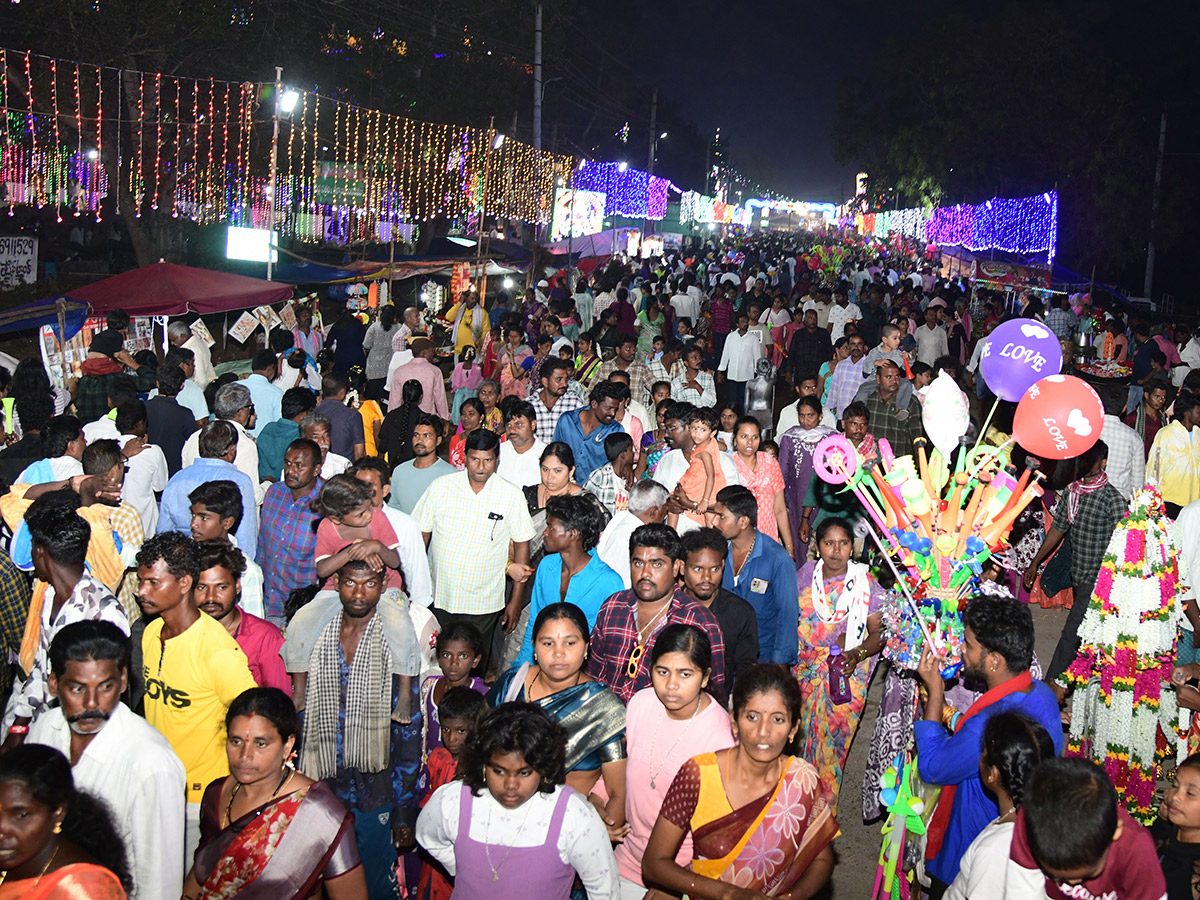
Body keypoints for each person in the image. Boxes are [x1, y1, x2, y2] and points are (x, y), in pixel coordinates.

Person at [284, 557, 422, 899]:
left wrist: (404, 809)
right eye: (350, 583)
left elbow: (408, 734)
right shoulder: (315, 637)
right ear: (336, 583)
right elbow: (297, 721)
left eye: (369, 584)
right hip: (322, 784)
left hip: (375, 789)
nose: (359, 594)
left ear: (382, 585)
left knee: (375, 885)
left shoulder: (395, 645)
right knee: (318, 881)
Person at [642, 664, 836, 900]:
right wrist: (729, 894)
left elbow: (822, 859)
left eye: (778, 719)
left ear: (793, 729)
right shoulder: (699, 775)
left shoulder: (802, 781)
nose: (763, 732)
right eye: (752, 717)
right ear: (734, 721)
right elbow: (654, 863)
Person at [913, 595, 1063, 896]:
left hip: (969, 853)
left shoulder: (991, 722)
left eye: (969, 645)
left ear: (994, 661)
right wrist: (948, 714)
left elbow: (932, 768)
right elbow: (973, 735)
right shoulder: (1041, 693)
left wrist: (936, 691)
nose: (961, 650)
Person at [29, 621, 186, 900]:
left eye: (105, 687)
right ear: (54, 684)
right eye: (77, 689)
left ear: (123, 681)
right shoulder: (45, 728)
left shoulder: (151, 764)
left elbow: (160, 883)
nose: (92, 703)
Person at [136, 532, 257, 865]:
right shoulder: (151, 632)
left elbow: (254, 719)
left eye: (152, 582)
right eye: (141, 581)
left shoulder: (217, 652)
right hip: (158, 786)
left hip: (199, 798)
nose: (141, 591)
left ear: (184, 583)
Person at [415, 702, 620, 900]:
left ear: (543, 768)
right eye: (499, 771)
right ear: (483, 766)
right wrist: (461, 866)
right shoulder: (455, 800)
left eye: (524, 773)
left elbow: (604, 889)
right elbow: (426, 836)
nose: (510, 785)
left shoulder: (573, 815)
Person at [182, 687, 367, 900]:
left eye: (261, 744)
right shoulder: (216, 795)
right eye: (236, 741)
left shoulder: (319, 813)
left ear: (287, 745)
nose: (245, 755)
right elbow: (201, 877)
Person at [613, 624, 735, 900]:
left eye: (685, 674)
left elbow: (720, 832)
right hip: (626, 858)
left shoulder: (720, 737)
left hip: (685, 873)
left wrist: (673, 882)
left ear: (705, 678)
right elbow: (622, 770)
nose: (671, 685)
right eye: (662, 671)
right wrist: (598, 802)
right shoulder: (641, 704)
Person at [489, 603, 626, 833]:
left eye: (570, 643)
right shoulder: (512, 684)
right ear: (534, 646)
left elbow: (618, 793)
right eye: (548, 643)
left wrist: (598, 835)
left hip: (566, 831)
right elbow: (476, 749)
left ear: (586, 648)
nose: (558, 653)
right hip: (499, 820)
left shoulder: (603, 708)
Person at [3, 496, 129, 743]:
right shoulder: (50, 594)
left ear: (40, 551)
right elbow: (40, 668)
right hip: (43, 726)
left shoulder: (103, 612)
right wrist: (19, 728)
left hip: (78, 736)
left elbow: (111, 693)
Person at [414, 429, 534, 676]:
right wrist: (416, 588)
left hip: (484, 602)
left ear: (497, 460)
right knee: (437, 663)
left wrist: (515, 602)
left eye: (487, 460)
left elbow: (522, 545)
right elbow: (420, 537)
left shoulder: (511, 495)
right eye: (475, 459)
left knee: (473, 667)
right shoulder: (441, 487)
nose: (481, 467)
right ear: (465, 457)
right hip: (441, 595)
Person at [795, 516, 888, 809]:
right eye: (829, 543)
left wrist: (856, 654)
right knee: (801, 743)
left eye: (843, 543)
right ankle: (797, 806)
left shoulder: (865, 582)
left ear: (852, 546)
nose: (836, 551)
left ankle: (823, 812)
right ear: (818, 546)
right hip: (805, 674)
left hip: (847, 675)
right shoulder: (805, 575)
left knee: (834, 747)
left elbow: (879, 634)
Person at [586, 524, 727, 703]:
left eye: (656, 564)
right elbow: (593, 678)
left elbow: (713, 696)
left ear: (676, 568)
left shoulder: (699, 623)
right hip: (609, 717)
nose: (645, 573)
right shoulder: (613, 607)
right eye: (638, 563)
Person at [1022, 439, 1125, 687]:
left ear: (1103, 463)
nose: (1085, 463)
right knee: (1092, 635)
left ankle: (1051, 686)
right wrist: (1035, 563)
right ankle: (1092, 682)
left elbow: (1126, 546)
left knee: (1071, 632)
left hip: (1100, 581)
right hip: (1079, 574)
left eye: (1092, 459)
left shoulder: (1113, 499)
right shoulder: (1073, 492)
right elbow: (1058, 529)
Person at [1005, 757, 1165, 900]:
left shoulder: (1136, 848)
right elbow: (1021, 892)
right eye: (1056, 876)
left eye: (1089, 874)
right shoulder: (1033, 819)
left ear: (1115, 832)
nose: (1072, 883)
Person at [944, 713, 1056, 900]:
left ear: (993, 774)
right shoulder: (1040, 819)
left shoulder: (997, 850)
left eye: (984, 753)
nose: (980, 758)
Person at [0, 743, 133, 898]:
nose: (2, 829)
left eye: (22, 815)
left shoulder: (82, 890)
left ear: (58, 812)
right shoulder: (15, 861)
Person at [513, 495, 623, 666]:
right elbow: (535, 622)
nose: (545, 533)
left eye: (551, 528)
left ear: (573, 534)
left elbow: (613, 642)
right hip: (546, 664)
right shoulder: (547, 566)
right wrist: (523, 666)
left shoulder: (608, 582)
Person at [711, 486, 799, 667]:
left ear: (743, 521)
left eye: (721, 516)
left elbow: (787, 615)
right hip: (723, 658)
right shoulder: (716, 552)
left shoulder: (776, 558)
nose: (714, 521)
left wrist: (779, 666)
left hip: (761, 660)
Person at [415, 685, 487, 900]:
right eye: (446, 729)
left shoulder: (481, 770)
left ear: (476, 728)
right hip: (435, 855)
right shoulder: (437, 758)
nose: (452, 738)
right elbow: (429, 800)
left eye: (461, 731)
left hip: (462, 859)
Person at [195, 540, 288, 694]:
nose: (210, 597)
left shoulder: (265, 638)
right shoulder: (183, 632)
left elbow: (278, 701)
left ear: (237, 586)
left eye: (221, 587)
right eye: (202, 587)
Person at [158, 421, 259, 558]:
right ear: (231, 450)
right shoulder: (240, 481)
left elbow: (164, 533)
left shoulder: (177, 479)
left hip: (184, 560)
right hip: (222, 561)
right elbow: (245, 539)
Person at [258, 439, 323, 627]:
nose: (290, 471)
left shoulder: (326, 504)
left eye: (299, 466)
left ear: (316, 469)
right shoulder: (274, 493)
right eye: (287, 463)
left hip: (303, 612)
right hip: (268, 604)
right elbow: (263, 546)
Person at [188, 480, 265, 617]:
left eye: (203, 518)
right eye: (193, 515)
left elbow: (252, 622)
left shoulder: (248, 572)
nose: (194, 524)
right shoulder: (187, 554)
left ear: (227, 522)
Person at [181, 383, 261, 492]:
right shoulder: (245, 445)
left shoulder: (195, 437)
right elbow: (252, 494)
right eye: (250, 408)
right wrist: (267, 485)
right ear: (241, 412)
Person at [730, 416, 792, 552]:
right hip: (737, 542)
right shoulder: (727, 464)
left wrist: (789, 548)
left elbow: (780, 510)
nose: (750, 442)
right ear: (735, 439)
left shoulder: (770, 463)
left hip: (767, 539)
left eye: (755, 437)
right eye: (744, 436)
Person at [552, 381, 626, 487]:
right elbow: (555, 455)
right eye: (609, 408)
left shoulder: (615, 430)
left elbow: (619, 465)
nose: (612, 413)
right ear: (594, 404)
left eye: (615, 409)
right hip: (567, 487)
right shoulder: (567, 421)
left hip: (598, 489)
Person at [114, 402, 169, 535]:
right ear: (140, 424)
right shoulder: (152, 451)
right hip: (144, 525)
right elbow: (160, 486)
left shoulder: (107, 449)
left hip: (115, 524)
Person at [1150, 752, 1200, 900]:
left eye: (1190, 793)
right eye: (1175, 785)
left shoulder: (1195, 872)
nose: (1176, 796)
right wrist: (1161, 822)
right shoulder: (1161, 835)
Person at [388, 415, 455, 514]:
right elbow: (393, 508)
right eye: (416, 435)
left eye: (426, 436)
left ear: (438, 440)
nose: (419, 440)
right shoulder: (400, 471)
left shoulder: (450, 474)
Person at [1148, 392, 1200, 516]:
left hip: (1194, 502)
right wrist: (1151, 496)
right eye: (1198, 412)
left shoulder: (1198, 434)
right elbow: (1154, 468)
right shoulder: (1166, 434)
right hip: (1169, 500)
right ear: (1187, 414)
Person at [147, 365, 199, 476]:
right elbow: (193, 441)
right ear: (181, 386)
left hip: (146, 469)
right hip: (174, 471)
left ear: (157, 383)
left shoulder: (142, 407)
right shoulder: (185, 414)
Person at [862, 360, 924, 454]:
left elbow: (917, 436)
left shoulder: (910, 401)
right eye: (888, 377)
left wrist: (920, 460)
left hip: (898, 458)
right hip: (870, 458)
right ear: (878, 379)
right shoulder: (867, 399)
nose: (894, 381)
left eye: (897, 376)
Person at [258, 386, 316, 482]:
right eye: (311, 412)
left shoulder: (268, 428)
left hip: (262, 483)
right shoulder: (300, 436)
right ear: (303, 415)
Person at [717, 312, 764, 411]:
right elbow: (725, 355)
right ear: (737, 324)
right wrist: (721, 371)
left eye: (746, 321)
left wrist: (758, 374)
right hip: (732, 375)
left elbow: (757, 357)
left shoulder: (753, 339)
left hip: (747, 376)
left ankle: (743, 417)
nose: (745, 324)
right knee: (733, 400)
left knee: (744, 401)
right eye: (742, 322)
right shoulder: (731, 337)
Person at [314, 373, 367, 461]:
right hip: (345, 467)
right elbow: (359, 454)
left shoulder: (312, 412)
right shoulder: (352, 415)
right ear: (342, 393)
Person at [584, 432, 635, 517]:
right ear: (623, 454)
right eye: (631, 449)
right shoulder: (601, 475)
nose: (633, 453)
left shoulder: (628, 476)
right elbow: (583, 499)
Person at [497, 400, 545, 487]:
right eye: (508, 425)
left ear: (533, 425)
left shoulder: (545, 454)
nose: (512, 430)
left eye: (518, 424)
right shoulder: (498, 452)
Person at [242, 350, 284, 438]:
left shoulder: (233, 386)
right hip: (263, 442)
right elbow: (278, 423)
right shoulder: (276, 393)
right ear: (270, 368)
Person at [1127, 379, 1170, 457]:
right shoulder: (1133, 418)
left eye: (1164, 397)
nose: (1161, 400)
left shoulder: (1163, 419)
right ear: (1146, 395)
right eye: (1157, 396)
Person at [169, 319, 216, 388]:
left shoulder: (192, 349)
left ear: (183, 336)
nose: (172, 343)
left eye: (173, 340)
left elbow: (201, 379)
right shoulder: (198, 339)